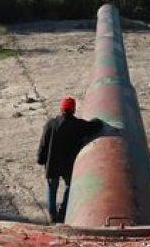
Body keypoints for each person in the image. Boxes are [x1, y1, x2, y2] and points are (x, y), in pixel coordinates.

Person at [37, 96, 103, 224]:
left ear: (61, 109)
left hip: (53, 164)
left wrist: (41, 159)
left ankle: (52, 214)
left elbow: (43, 144)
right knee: (69, 187)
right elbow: (94, 126)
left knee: (52, 188)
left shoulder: (51, 124)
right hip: (69, 165)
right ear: (73, 110)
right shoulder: (77, 124)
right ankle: (63, 211)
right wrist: (98, 120)